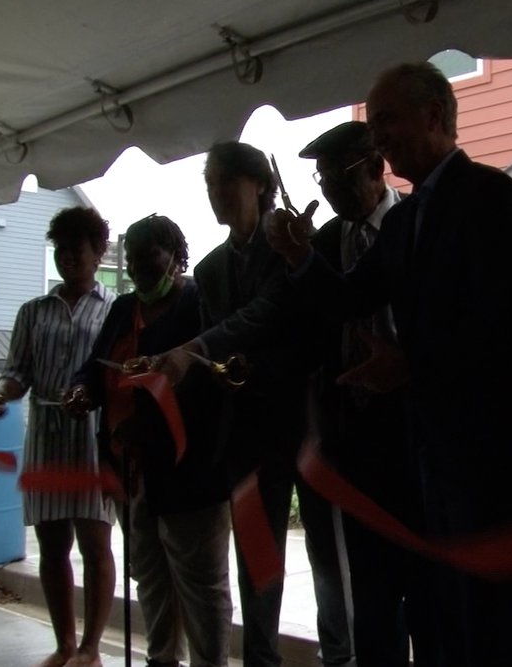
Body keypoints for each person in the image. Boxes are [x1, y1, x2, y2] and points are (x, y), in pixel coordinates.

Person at [268, 63, 512, 667]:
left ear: (434, 115)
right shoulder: (405, 220)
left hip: (489, 458)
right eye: (374, 124)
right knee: (448, 619)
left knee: (493, 624)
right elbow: (348, 299)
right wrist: (297, 255)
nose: (379, 137)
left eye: (388, 120)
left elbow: (500, 328)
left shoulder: (491, 196)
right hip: (429, 463)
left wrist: (411, 366)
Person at [157, 140, 353, 667]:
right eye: (209, 184)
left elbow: (268, 311)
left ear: (260, 184)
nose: (216, 193)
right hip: (246, 433)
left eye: (227, 181)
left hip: (307, 423)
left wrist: (196, 350)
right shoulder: (211, 268)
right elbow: (216, 349)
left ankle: (341, 657)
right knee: (257, 561)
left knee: (327, 555)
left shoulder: (291, 243)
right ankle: (261, 661)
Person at [65, 215, 233, 667]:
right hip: (132, 474)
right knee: (150, 576)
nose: (138, 268)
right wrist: (82, 389)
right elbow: (96, 365)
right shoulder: (124, 309)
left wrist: (150, 425)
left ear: (176, 257)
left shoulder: (197, 304)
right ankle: (162, 659)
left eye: (149, 257)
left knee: (200, 585)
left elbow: (208, 387)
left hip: (189, 474)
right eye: (131, 259)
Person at [298, 121, 418, 666]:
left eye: (337, 177)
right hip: (351, 432)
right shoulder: (322, 244)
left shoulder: (414, 223)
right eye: (321, 179)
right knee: (370, 593)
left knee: (425, 589)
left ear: (375, 166)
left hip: (413, 428)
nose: (327, 190)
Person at [0, 207, 117, 667]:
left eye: (77, 250)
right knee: (52, 546)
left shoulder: (114, 310)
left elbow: (117, 375)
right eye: (60, 250)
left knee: (95, 545)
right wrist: (2, 394)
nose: (68, 259)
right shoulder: (33, 312)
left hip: (93, 438)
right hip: (45, 436)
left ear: (99, 253)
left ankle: (91, 649)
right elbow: (17, 372)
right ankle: (64, 646)